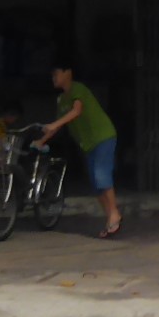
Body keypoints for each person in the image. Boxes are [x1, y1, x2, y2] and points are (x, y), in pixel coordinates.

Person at [38, 62, 121, 236]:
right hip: (88, 143)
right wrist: (41, 141)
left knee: (101, 175)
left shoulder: (78, 89)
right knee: (95, 183)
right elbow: (57, 126)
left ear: (68, 73)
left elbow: (76, 111)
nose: (53, 78)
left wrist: (55, 124)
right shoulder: (62, 100)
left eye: (56, 73)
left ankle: (114, 212)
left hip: (103, 136)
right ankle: (110, 218)